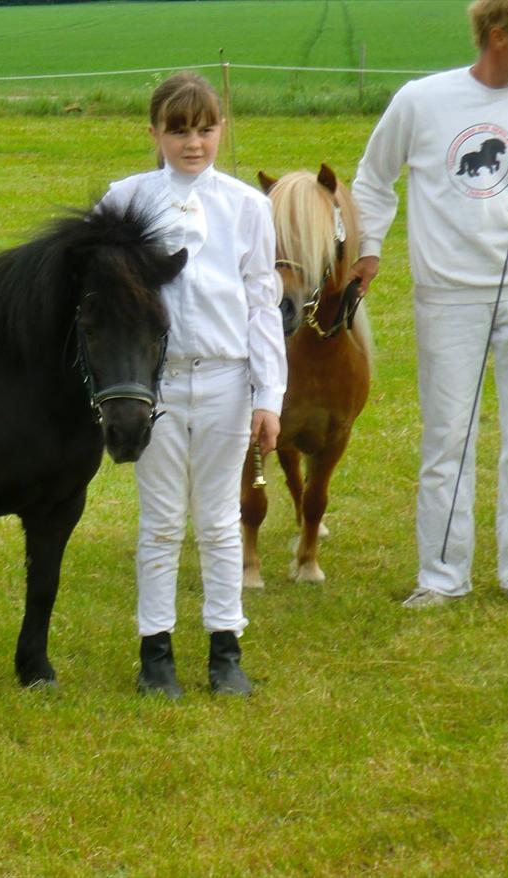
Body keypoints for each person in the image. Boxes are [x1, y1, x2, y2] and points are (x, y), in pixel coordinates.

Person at [348, 0, 508, 620]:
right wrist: (369, 249)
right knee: (448, 441)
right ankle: (441, 576)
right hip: (448, 297)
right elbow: (372, 178)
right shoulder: (421, 101)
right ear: (499, 37)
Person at [97, 72, 287, 698]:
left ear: (220, 129)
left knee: (219, 520)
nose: (193, 144)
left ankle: (225, 649)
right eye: (178, 132)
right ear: (154, 133)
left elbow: (262, 302)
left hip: (228, 381)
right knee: (158, 521)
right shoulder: (125, 201)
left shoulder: (247, 207)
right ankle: (156, 653)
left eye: (205, 130)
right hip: (155, 386)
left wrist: (268, 395)